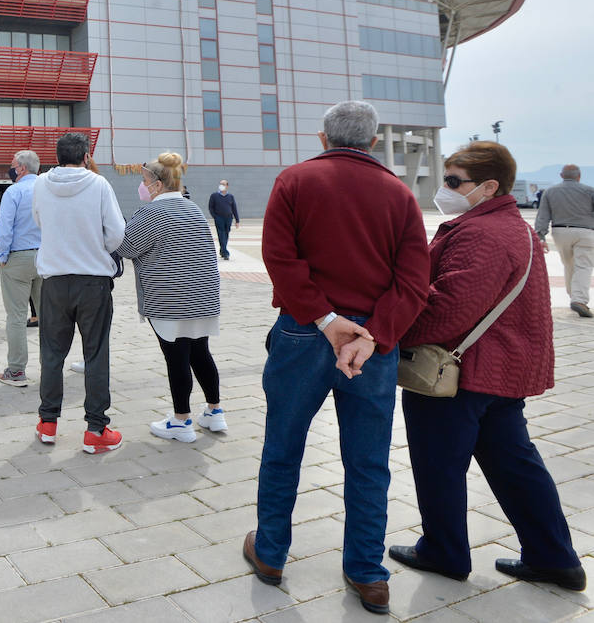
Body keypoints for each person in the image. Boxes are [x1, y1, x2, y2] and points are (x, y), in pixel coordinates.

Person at [246, 100, 430, 616]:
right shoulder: (399, 194)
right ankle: (368, 573)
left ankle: (271, 552)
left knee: (282, 446)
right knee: (369, 461)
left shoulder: (296, 180)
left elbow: (280, 259)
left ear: (324, 138)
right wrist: (372, 335)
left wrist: (326, 321)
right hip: (370, 344)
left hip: (305, 332)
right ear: (373, 142)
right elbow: (415, 281)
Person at [389, 142, 586, 591]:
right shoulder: (514, 228)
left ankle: (443, 551)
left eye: (454, 181)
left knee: (439, 464)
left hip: (461, 374)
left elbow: (446, 309)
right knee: (516, 467)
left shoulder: (480, 233)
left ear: (489, 186)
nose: (445, 188)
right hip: (502, 373)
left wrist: (393, 332)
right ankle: (555, 559)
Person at [117, 152, 225, 442]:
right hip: (203, 297)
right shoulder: (193, 209)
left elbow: (126, 247)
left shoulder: (151, 213)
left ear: (156, 184)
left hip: (170, 299)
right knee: (201, 353)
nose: (141, 186)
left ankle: (181, 421)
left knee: (177, 358)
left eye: (143, 181)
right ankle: (215, 412)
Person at [32, 132, 126, 453]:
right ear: (86, 156)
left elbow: (38, 220)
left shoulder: (41, 184)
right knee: (95, 354)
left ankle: (48, 423)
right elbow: (116, 233)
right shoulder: (99, 185)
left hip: (54, 280)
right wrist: (93, 247)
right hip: (93, 282)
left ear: (57, 156)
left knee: (52, 354)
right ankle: (96, 429)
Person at [0, 150, 43, 387]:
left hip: (18, 257)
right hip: (46, 258)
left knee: (16, 316)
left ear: (22, 168)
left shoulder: (13, 192)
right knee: (49, 317)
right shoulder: (48, 189)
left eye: (13, 165)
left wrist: (1, 254)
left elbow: (5, 228)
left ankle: (16, 371)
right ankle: (51, 367)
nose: (10, 168)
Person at [535, 164, 594, 318]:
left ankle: (573, 296)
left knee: (569, 265)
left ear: (561, 176)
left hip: (560, 231)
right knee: (584, 266)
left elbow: (543, 216)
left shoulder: (550, 192)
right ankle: (579, 299)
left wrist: (541, 236)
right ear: (579, 176)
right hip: (585, 232)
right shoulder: (589, 191)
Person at [207, 179, 240, 260]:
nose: (221, 185)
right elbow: (210, 207)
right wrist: (215, 216)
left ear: (227, 186)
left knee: (226, 234)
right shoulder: (214, 196)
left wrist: (237, 220)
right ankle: (226, 253)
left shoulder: (230, 196)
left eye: (223, 184)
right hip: (219, 218)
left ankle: (222, 251)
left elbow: (234, 208)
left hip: (228, 218)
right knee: (221, 234)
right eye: (220, 184)